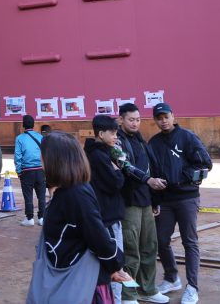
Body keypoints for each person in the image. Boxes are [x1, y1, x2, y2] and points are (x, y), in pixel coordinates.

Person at [27, 132, 129, 303]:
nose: (40, 161)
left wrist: (115, 264)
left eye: (43, 156)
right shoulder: (68, 192)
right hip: (72, 279)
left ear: (55, 161)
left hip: (81, 285)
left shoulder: (76, 194)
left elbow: (98, 237)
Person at [147, 103, 213, 304]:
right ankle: (171, 278)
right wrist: (155, 199)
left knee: (189, 242)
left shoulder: (187, 137)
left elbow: (205, 163)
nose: (163, 121)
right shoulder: (153, 143)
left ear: (173, 116)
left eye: (166, 117)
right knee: (161, 240)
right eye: (159, 118)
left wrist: (180, 177)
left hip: (187, 198)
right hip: (165, 200)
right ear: (155, 120)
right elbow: (152, 172)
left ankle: (192, 287)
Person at [117, 103, 168, 303]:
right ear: (121, 120)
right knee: (131, 249)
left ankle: (148, 289)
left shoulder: (140, 140)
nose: (135, 123)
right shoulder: (117, 142)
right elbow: (126, 167)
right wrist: (148, 180)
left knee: (149, 247)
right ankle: (128, 295)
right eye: (131, 120)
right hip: (128, 203)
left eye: (138, 120)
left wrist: (155, 201)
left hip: (146, 201)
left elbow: (151, 169)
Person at [85, 115, 128, 304]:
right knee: (115, 263)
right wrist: (118, 168)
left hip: (104, 215)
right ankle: (115, 300)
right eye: (113, 133)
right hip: (108, 217)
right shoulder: (100, 156)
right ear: (101, 134)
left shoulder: (95, 152)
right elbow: (116, 182)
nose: (116, 137)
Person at [14, 115, 46, 227]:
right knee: (41, 195)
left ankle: (29, 218)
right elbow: (45, 153)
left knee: (28, 195)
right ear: (33, 125)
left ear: (23, 125)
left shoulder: (19, 138)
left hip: (27, 170)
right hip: (40, 170)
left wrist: (19, 171)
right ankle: (42, 218)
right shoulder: (40, 137)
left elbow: (17, 156)